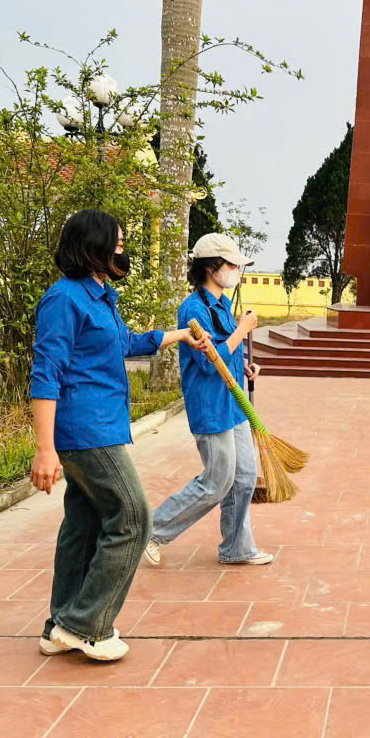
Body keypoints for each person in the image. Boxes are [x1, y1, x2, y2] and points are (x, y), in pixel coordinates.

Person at [30, 210, 211, 661]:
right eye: (117, 242)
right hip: (84, 431)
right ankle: (88, 625)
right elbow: (45, 375)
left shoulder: (99, 297)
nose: (122, 249)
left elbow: (125, 343)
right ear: (92, 245)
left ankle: (60, 624)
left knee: (84, 526)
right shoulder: (64, 300)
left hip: (101, 425)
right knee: (133, 519)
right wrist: (45, 449)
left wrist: (179, 337)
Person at [143, 233, 271, 568]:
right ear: (212, 268)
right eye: (232, 265)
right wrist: (242, 330)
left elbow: (224, 353)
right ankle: (152, 531)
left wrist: (243, 364)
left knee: (244, 476)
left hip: (233, 403)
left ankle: (237, 548)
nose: (236, 271)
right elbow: (206, 360)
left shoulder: (222, 306)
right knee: (217, 481)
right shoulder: (193, 309)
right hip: (211, 408)